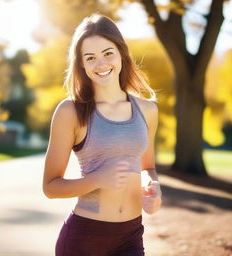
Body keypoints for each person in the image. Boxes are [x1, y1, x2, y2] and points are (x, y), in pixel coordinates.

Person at [43, 13, 162, 256]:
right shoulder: (71, 111)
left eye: (108, 53)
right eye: (90, 57)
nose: (101, 64)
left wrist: (153, 189)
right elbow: (50, 187)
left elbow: (147, 167)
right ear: (82, 65)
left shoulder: (148, 110)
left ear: (121, 53)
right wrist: (97, 179)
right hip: (84, 239)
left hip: (131, 236)